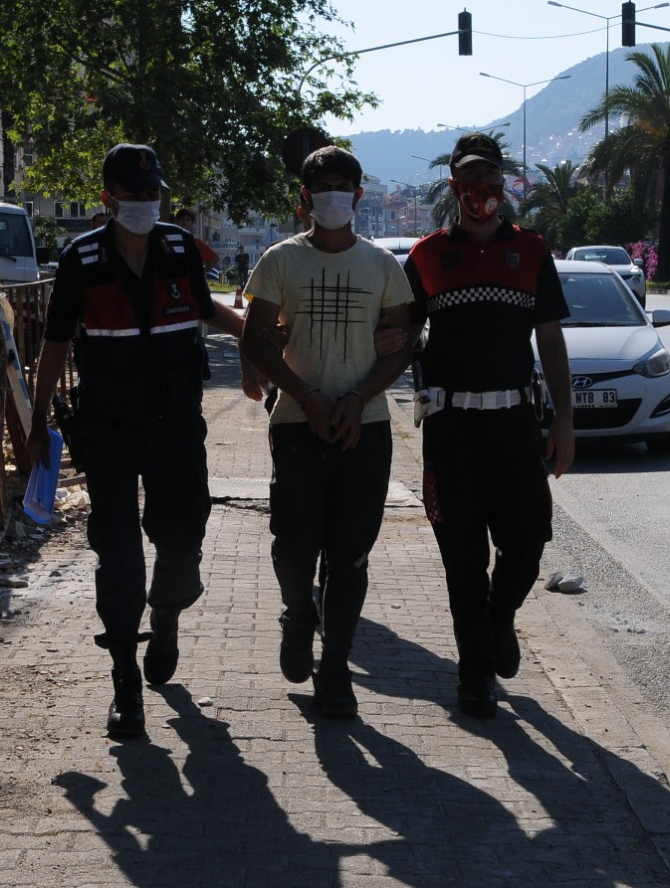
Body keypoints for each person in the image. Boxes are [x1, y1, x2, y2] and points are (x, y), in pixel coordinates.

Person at [26, 143, 252, 738]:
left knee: (182, 540)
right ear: (108, 199)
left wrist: (264, 337)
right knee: (119, 552)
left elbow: (209, 311)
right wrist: (36, 416)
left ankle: (168, 615)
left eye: (153, 195)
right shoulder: (82, 258)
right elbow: (53, 342)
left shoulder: (179, 249)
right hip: (108, 429)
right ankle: (125, 677)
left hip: (176, 426)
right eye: (133, 196)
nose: (145, 205)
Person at [240, 146, 416, 718]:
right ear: (304, 200)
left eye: (342, 188)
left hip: (364, 430)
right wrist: (307, 396)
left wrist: (358, 397)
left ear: (359, 196)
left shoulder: (383, 267)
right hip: (296, 426)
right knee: (293, 546)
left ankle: (335, 666)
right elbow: (257, 340)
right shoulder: (278, 261)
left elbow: (402, 344)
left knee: (349, 558)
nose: (332, 199)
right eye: (321, 190)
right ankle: (297, 613)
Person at [404, 131, 575, 718]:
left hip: (514, 424)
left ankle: (499, 618)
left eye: (493, 183)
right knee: (461, 558)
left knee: (527, 544)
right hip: (450, 430)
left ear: (504, 187)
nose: (484, 194)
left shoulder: (531, 251)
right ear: (454, 188)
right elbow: (401, 338)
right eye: (472, 183)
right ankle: (474, 676)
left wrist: (565, 423)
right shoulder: (425, 256)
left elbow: (550, 341)